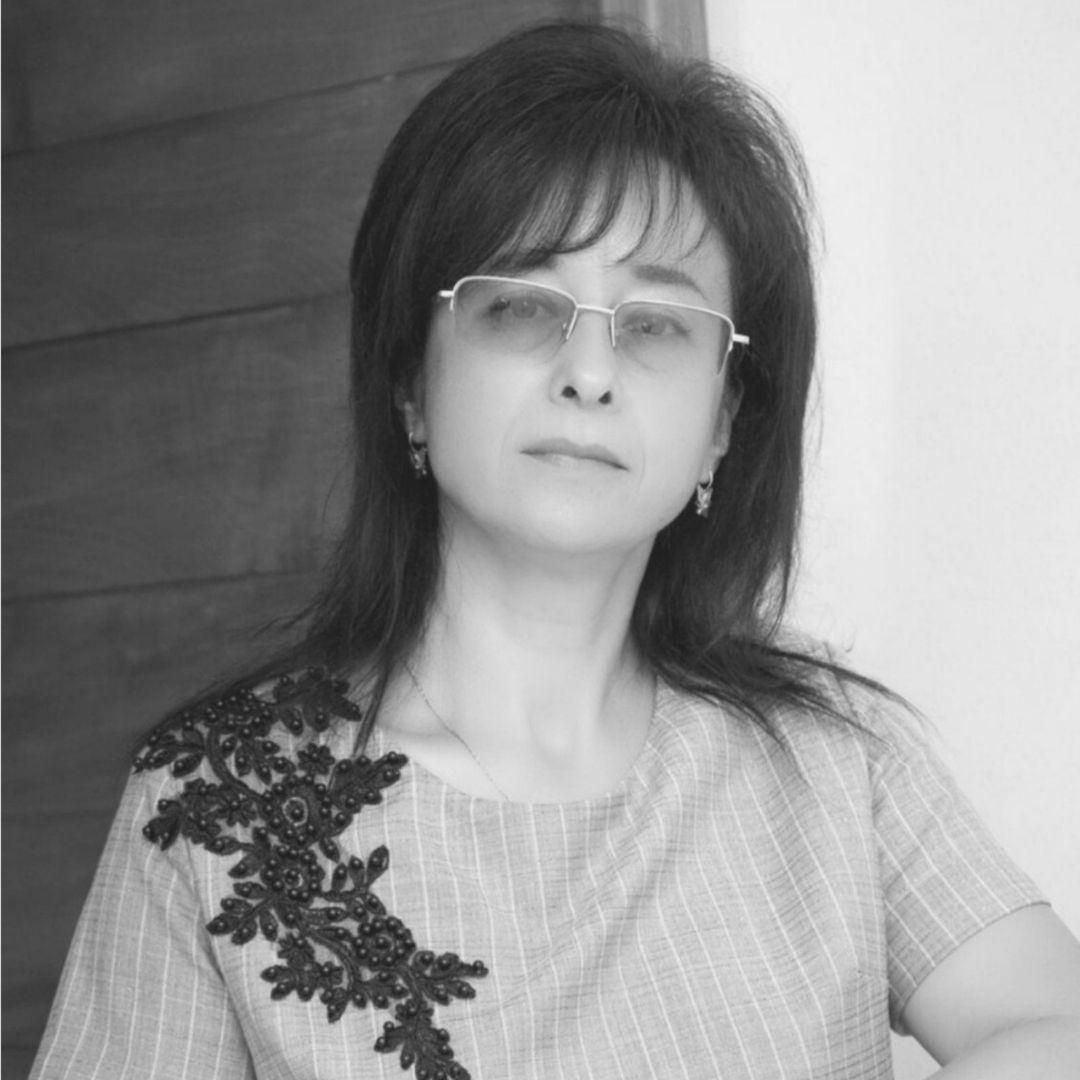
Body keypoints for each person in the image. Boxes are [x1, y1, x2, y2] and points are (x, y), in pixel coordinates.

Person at [30, 19, 1080, 1080]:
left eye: (656, 324)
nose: (589, 372)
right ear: (412, 384)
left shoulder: (835, 756)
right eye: (521, 308)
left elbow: (1055, 1028)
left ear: (721, 423)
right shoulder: (216, 807)